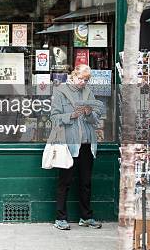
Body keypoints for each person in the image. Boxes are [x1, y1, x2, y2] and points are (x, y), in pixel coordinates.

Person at [50, 64, 105, 230]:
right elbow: (54, 117)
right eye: (80, 79)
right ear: (73, 76)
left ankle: (86, 217)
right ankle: (60, 218)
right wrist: (71, 115)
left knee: (86, 182)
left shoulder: (88, 92)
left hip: (86, 144)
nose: (83, 82)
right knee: (65, 181)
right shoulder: (61, 91)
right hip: (68, 143)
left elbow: (96, 119)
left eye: (86, 80)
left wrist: (89, 113)